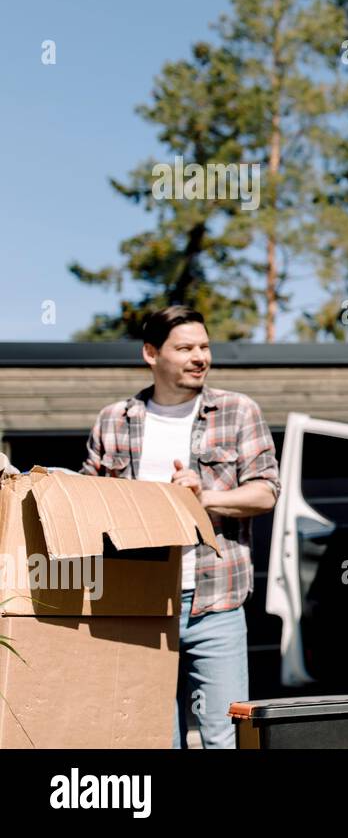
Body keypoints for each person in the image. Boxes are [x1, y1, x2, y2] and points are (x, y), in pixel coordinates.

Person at [82, 306, 280, 748]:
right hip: (139, 603)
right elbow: (88, 505)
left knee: (224, 737)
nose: (199, 357)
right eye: (185, 347)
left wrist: (204, 497)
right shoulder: (114, 420)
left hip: (216, 604)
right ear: (151, 354)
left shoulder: (237, 411)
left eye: (204, 346)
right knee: (153, 736)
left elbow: (267, 491)